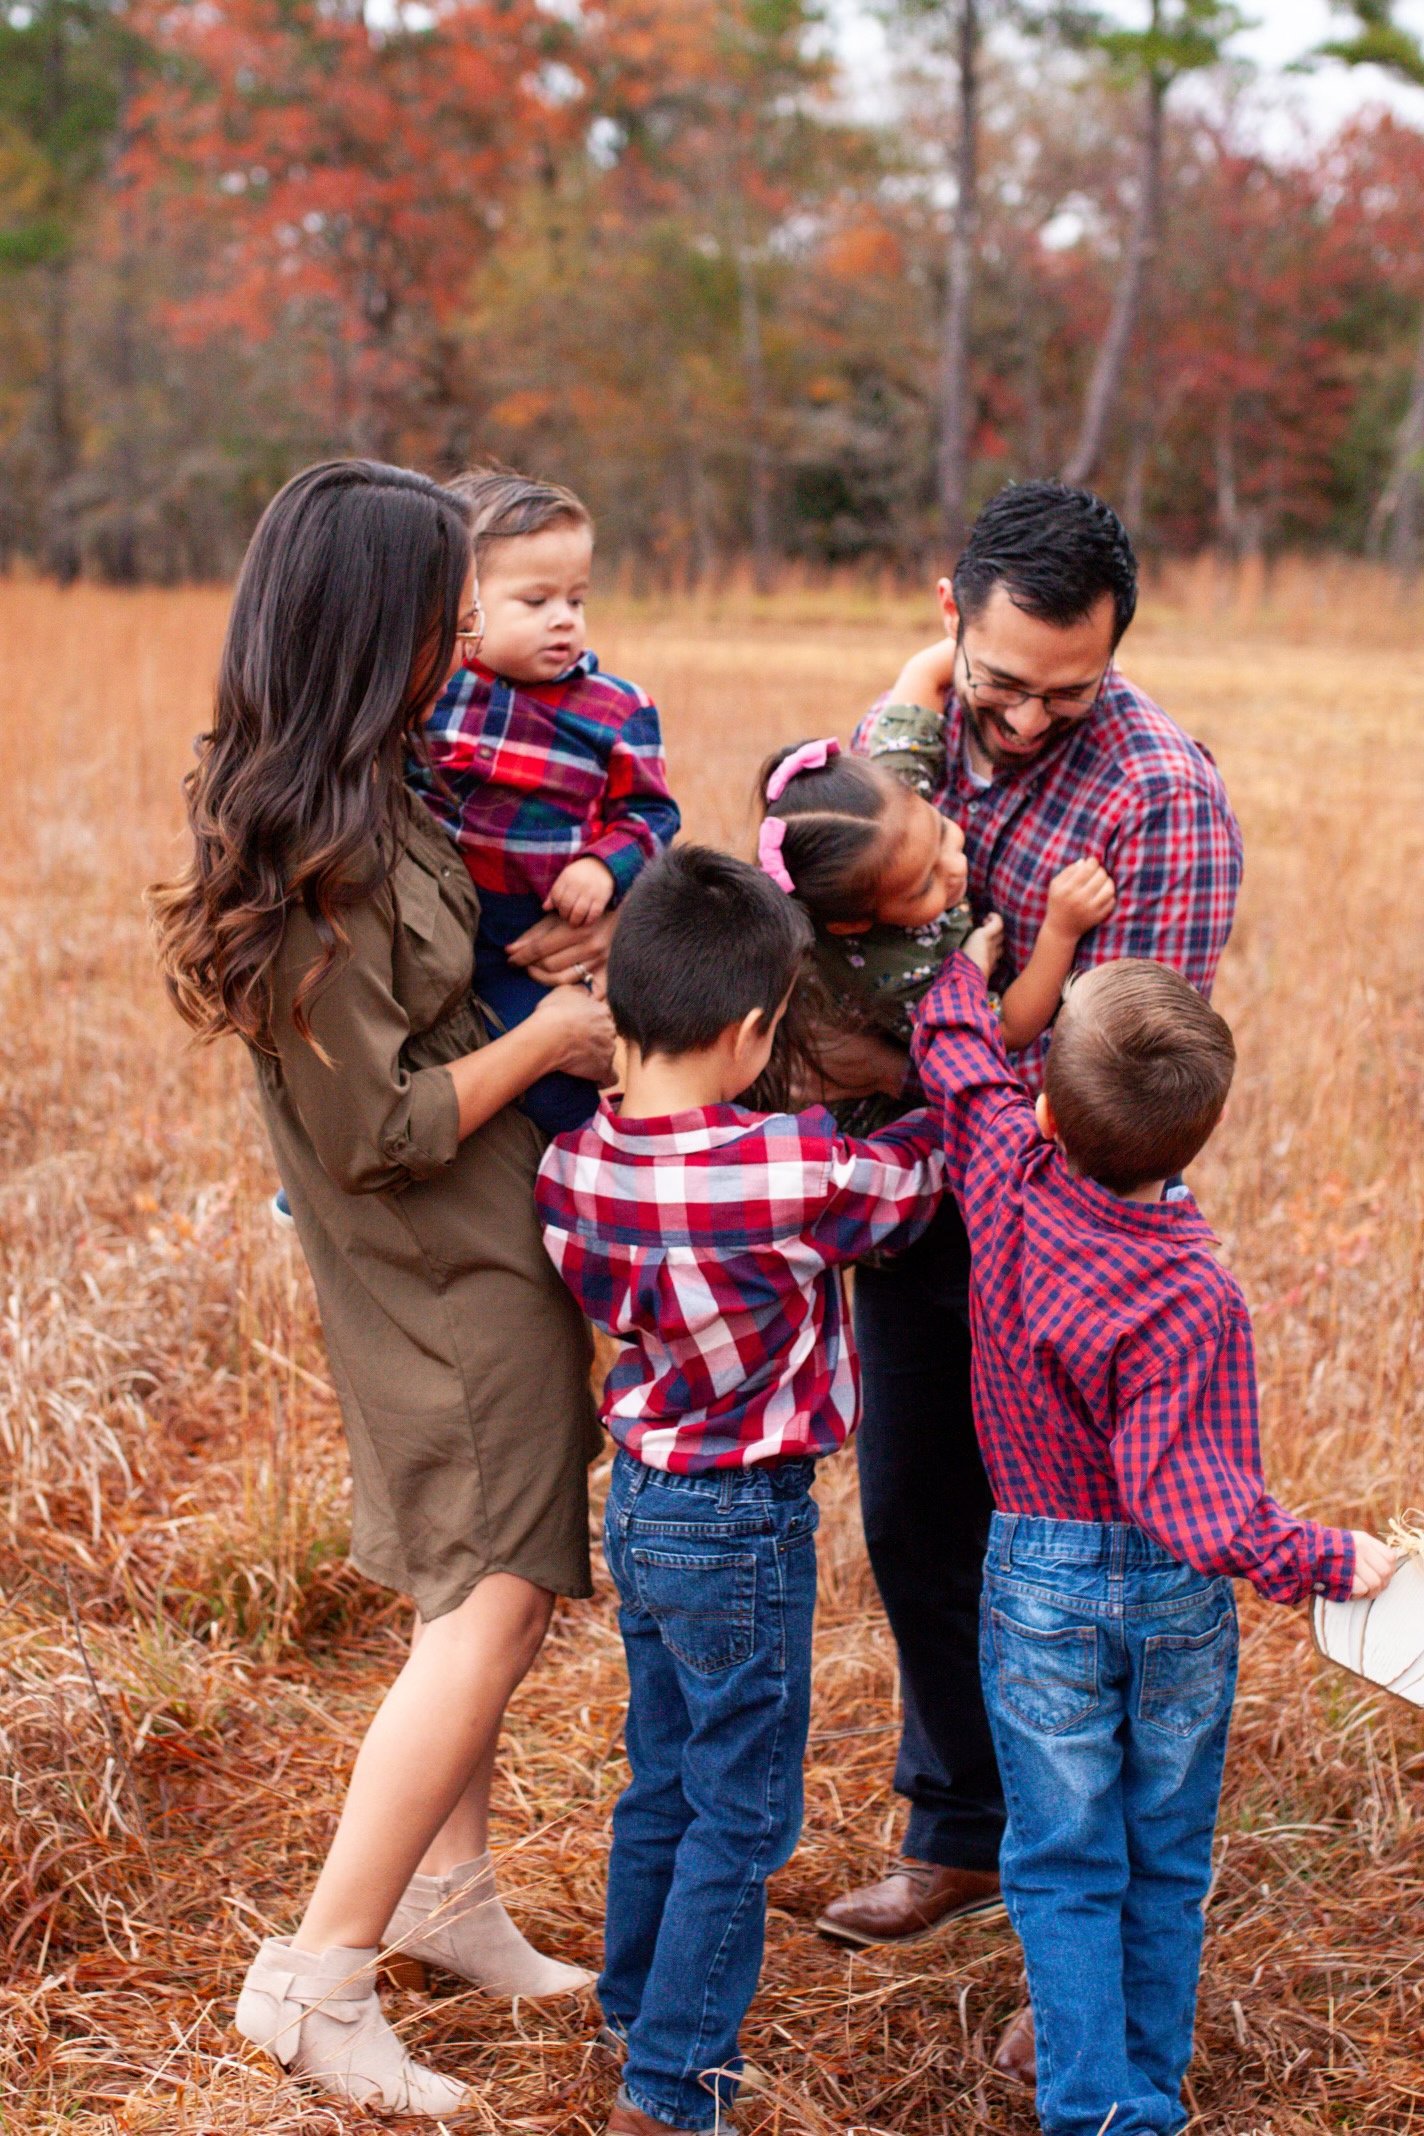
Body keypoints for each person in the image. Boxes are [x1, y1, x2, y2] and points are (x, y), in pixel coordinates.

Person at [150, 461, 617, 2115]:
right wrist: (553, 1037)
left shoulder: (376, 775)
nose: (460, 641)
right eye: (438, 610)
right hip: (435, 1249)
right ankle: (318, 1973)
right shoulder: (318, 843)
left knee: (467, 1575)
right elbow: (380, 1127)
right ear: (375, 627)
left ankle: (444, 1895)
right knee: (499, 1588)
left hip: (483, 1223)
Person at [818, 485, 1245, 2019]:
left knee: (1077, 1574)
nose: (1025, 714)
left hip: (1053, 1245)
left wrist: (921, 1061)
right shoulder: (920, 738)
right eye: (999, 679)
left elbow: (1118, 1080)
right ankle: (963, 1833)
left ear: (1115, 654)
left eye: (1065, 690)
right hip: (911, 1208)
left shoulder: (1160, 803)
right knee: (915, 1522)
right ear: (953, 613)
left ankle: (1092, 1944)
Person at [908, 946, 1396, 2136]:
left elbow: (955, 1056)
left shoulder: (1002, 1175)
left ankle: (1095, 2103)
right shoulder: (1189, 1293)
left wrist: (963, 970)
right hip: (1169, 1598)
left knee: (1061, 1861)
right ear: (1200, 1134)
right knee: (1162, 1859)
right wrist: (1329, 1559)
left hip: (1034, 1582)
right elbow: (1185, 1499)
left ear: (1044, 1110)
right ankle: (1135, 2088)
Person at [534, 846, 946, 2136]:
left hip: (644, 1503)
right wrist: (944, 1087)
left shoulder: (568, 1174)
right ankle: (668, 2086)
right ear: (750, 1031)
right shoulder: (792, 1171)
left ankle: (629, 2003)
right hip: (744, 1520)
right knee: (744, 1812)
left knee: (659, 1772)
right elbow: (913, 1186)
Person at [409, 466, 680, 1135]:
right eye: (535, 602)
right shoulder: (433, 688)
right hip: (426, 916)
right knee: (393, 1049)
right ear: (463, 602)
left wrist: (602, 869)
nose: (563, 620)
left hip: (528, 930)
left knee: (558, 1079)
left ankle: (566, 1184)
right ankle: (321, 1183)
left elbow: (652, 816)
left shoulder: (615, 709)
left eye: (577, 601)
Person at [754, 734, 1115, 1133]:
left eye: (942, 831)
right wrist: (1058, 932)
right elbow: (1006, 1028)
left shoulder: (886, 815)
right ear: (854, 924)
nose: (954, 866)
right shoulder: (896, 975)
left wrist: (949, 668)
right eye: (925, 885)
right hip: (875, 1125)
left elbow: (917, 688)